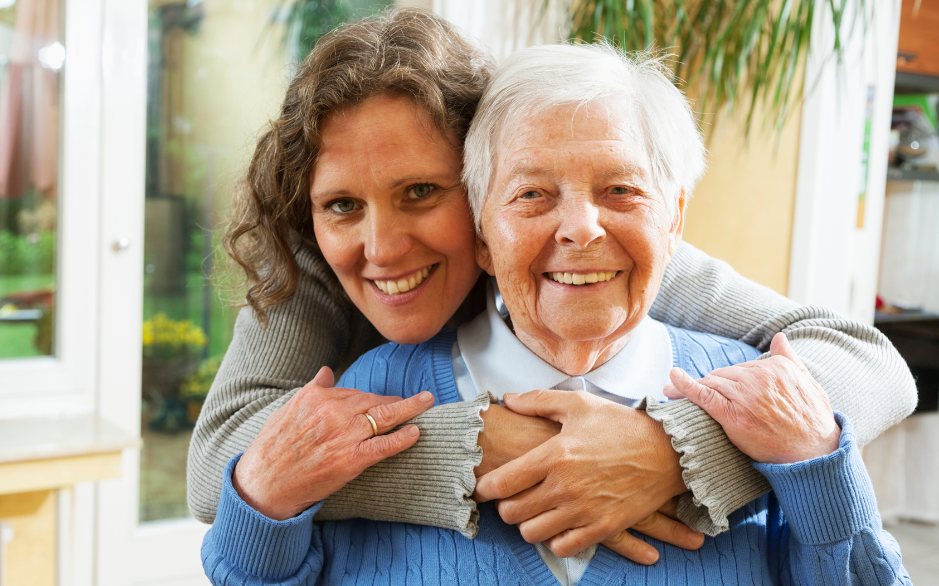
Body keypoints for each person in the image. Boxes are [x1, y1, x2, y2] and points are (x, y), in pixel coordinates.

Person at [188, 8, 916, 561]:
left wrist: (669, 451)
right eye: (342, 204)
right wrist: (476, 448)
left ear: (484, 195)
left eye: (419, 191)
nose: (381, 246)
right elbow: (218, 469)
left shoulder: (588, 257)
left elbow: (869, 363)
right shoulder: (312, 265)